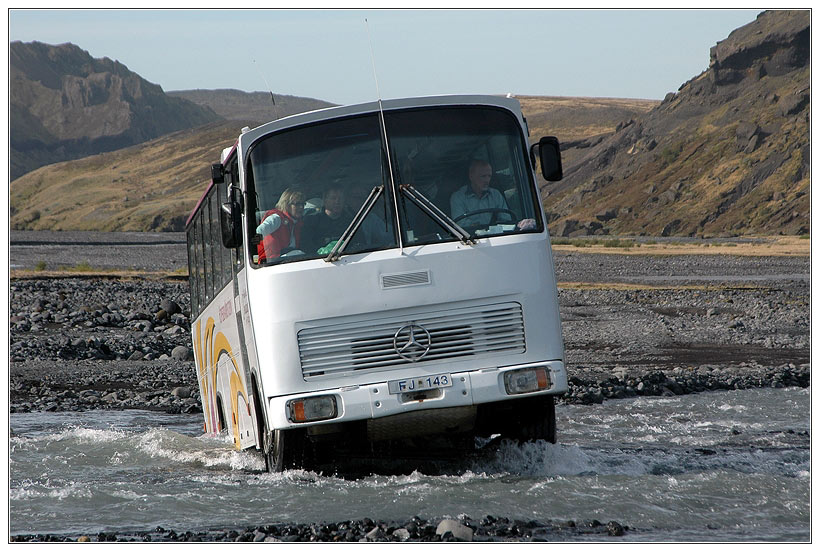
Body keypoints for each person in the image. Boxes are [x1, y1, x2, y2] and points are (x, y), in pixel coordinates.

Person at [449, 159, 535, 230]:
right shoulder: (458, 197)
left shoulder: (495, 195)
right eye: (483, 176)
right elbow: (461, 225)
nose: (487, 180)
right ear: (471, 176)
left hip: (495, 237)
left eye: (489, 176)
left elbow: (506, 219)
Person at [256, 188, 305, 263]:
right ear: (286, 204)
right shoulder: (276, 218)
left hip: (285, 260)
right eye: (297, 204)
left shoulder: (296, 223)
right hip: (271, 262)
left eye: (302, 204)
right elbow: (258, 232)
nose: (301, 207)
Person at [301, 187, 350, 254]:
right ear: (325, 200)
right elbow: (306, 247)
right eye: (333, 198)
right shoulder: (311, 220)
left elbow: (359, 244)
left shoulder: (351, 221)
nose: (337, 202)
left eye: (340, 198)